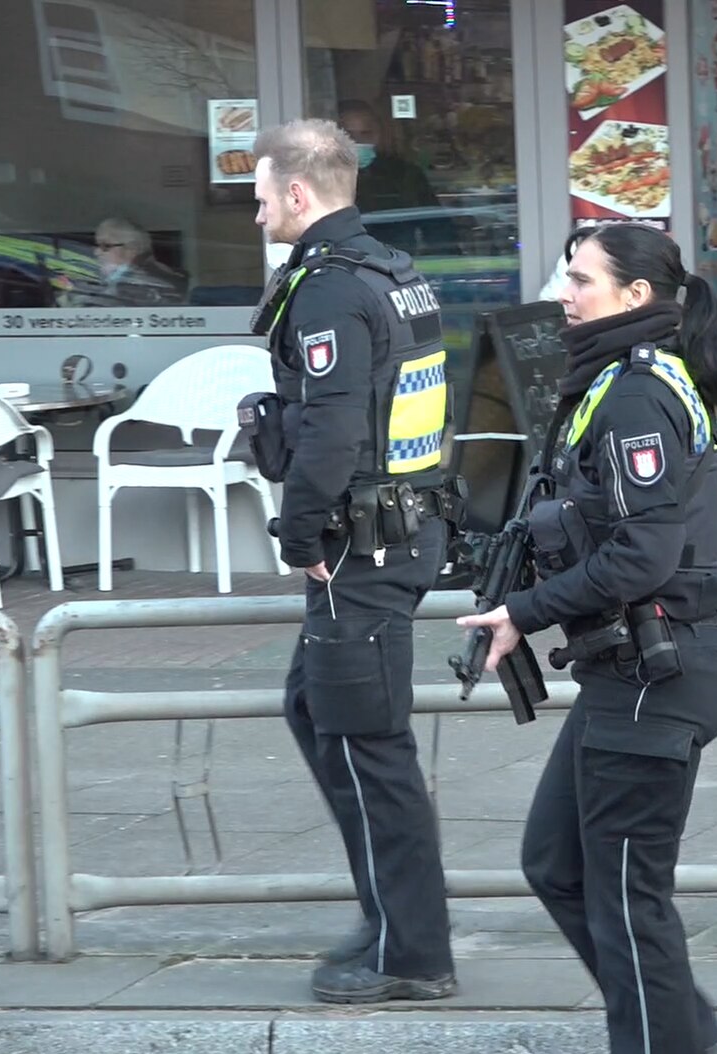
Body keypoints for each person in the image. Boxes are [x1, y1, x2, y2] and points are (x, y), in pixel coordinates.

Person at [455, 223, 717, 1054]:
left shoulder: (635, 396)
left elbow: (645, 555)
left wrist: (525, 608)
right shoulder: (616, 381)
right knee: (554, 863)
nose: (564, 293)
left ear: (634, 297)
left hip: (662, 671)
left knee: (629, 903)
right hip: (631, 669)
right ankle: (687, 1037)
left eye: (580, 280)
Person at [250, 118, 462, 1002]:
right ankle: (390, 916)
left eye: (260, 194)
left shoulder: (333, 288)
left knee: (368, 742)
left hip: (359, 549)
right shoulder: (392, 270)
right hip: (396, 532)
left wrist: (300, 539)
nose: (255, 209)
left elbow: (334, 432)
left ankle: (411, 952)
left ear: (298, 192)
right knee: (314, 708)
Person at [60, 217, 188, 306]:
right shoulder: (107, 280)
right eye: (97, 245)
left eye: (105, 246)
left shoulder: (147, 285)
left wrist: (72, 300)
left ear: (131, 249)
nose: (96, 252)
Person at [337, 100, 437, 213]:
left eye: (366, 133)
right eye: (348, 134)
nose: (357, 141)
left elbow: (436, 225)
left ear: (378, 134)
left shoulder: (405, 174)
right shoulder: (323, 176)